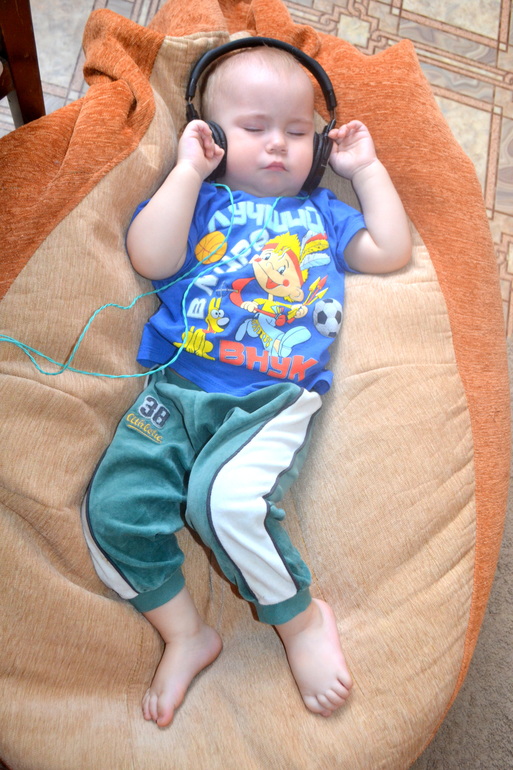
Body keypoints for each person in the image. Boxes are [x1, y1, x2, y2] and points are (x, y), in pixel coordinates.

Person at [82, 44, 411, 729]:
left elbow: (390, 250)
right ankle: (185, 633)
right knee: (112, 508)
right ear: (211, 134)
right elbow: (150, 257)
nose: (278, 144)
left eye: (298, 131)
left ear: (319, 144)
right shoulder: (199, 200)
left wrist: (367, 170)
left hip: (270, 399)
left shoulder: (323, 213)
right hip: (175, 390)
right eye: (255, 128)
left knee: (225, 503)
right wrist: (186, 171)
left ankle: (299, 620)